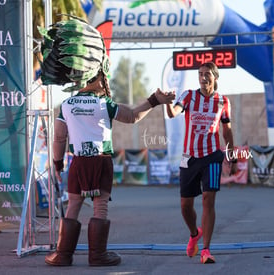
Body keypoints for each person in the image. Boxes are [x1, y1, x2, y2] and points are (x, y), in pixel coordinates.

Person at [38, 16, 175, 267]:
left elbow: (58, 138)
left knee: (74, 206)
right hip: (101, 161)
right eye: (104, 77)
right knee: (100, 208)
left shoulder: (67, 105)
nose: (106, 81)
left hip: (78, 163)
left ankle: (63, 255)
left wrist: (57, 163)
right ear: (98, 77)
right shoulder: (105, 104)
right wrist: (154, 100)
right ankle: (97, 255)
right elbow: (133, 116)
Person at [166, 62, 237, 264]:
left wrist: (230, 155)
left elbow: (227, 131)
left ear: (215, 77)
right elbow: (173, 113)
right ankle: (193, 233)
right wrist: (166, 102)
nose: (203, 77)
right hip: (189, 158)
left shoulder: (223, 101)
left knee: (208, 198)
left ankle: (206, 249)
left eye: (207, 74)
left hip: (212, 157)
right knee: (185, 205)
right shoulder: (188, 96)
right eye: (200, 74)